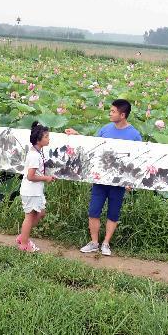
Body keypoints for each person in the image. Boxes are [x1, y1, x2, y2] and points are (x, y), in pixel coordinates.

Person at [65, 99, 142, 256]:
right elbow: (93, 146)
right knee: (94, 211)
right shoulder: (105, 129)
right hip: (100, 178)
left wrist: (130, 180)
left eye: (113, 111)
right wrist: (77, 135)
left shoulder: (134, 135)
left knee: (113, 213)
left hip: (119, 181)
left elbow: (138, 159)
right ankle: (94, 242)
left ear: (123, 115)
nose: (110, 113)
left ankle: (106, 243)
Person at [17, 121, 55, 253]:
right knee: (30, 216)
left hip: (35, 191)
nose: (48, 139)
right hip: (31, 191)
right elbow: (30, 176)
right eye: (46, 137)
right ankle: (24, 243)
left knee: (41, 213)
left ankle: (23, 237)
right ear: (39, 140)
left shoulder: (37, 152)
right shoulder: (34, 155)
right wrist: (46, 178)